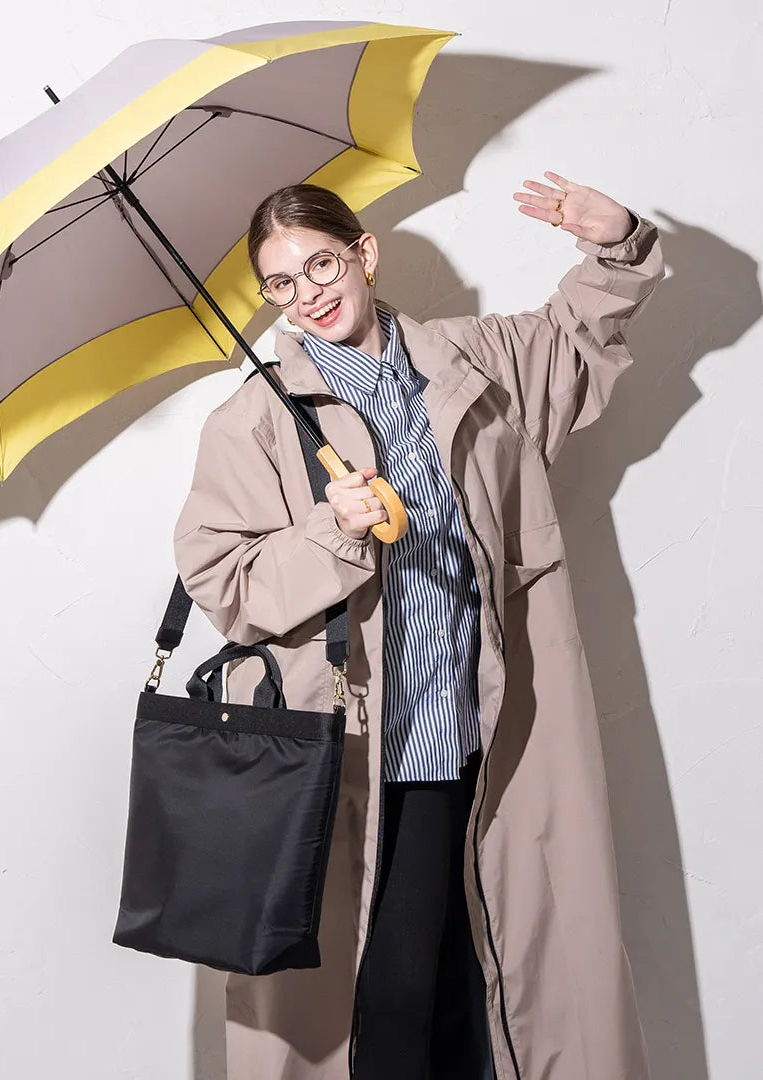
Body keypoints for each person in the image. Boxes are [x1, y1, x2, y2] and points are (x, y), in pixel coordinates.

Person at [173, 174, 664, 1080]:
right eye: (282, 283)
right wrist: (334, 530)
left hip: (489, 734)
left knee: (480, 997)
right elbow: (223, 581)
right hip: (350, 756)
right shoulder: (254, 423)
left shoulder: (482, 365)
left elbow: (579, 335)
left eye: (322, 262)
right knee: (381, 1010)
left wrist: (619, 241)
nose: (309, 294)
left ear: (364, 252)